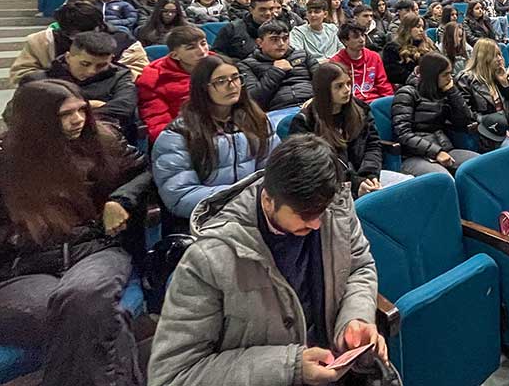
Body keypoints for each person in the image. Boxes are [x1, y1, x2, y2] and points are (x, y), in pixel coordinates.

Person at [148, 133, 384, 386]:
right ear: (268, 201)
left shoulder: (333, 207)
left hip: (333, 369)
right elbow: (173, 375)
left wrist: (355, 319)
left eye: (320, 212)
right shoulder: (210, 258)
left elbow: (359, 268)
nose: (316, 224)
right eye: (304, 215)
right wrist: (288, 367)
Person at [0, 80, 148, 385]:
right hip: (25, 264)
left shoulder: (102, 141)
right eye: (66, 114)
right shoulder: (5, 161)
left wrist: (121, 199)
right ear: (37, 118)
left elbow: (144, 172)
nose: (79, 119)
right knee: (90, 316)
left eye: (81, 109)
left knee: (85, 297)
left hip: (94, 249)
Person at [152, 55, 279, 221]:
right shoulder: (178, 134)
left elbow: (274, 170)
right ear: (203, 88)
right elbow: (179, 196)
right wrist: (243, 199)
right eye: (221, 81)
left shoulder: (257, 119)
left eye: (236, 78)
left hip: (257, 212)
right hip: (207, 219)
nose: (232, 86)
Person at [290, 63, 410, 197]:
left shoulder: (360, 109)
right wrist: (355, 183)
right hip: (329, 185)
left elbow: (373, 144)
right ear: (323, 89)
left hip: (365, 175)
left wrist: (370, 174)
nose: (347, 89)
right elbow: (315, 166)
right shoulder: (304, 121)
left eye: (348, 83)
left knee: (409, 184)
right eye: (339, 86)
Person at [18, 31, 138, 143]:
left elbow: (125, 107)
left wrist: (62, 113)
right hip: (47, 141)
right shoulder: (38, 80)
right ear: (68, 57)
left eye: (101, 65)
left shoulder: (121, 75)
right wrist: (89, 106)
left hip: (103, 141)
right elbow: (15, 113)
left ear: (111, 59)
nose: (91, 71)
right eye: (84, 64)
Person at [10, 0, 148, 86]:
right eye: (74, 36)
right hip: (57, 95)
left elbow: (141, 74)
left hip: (109, 95)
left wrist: (107, 73)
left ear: (100, 26)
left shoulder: (125, 42)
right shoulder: (42, 41)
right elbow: (21, 74)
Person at [392, 52, 478, 176]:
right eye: (445, 75)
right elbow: (403, 134)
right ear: (432, 75)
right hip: (414, 156)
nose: (450, 78)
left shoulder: (443, 92)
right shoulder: (406, 94)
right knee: (443, 179)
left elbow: (466, 119)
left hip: (444, 148)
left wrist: (453, 92)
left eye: (450, 73)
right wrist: (436, 152)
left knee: (479, 165)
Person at [458, 38, 509, 151]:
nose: (500, 59)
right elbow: (468, 115)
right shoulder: (465, 80)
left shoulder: (498, 75)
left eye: (500, 54)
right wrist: (497, 124)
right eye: (495, 55)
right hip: (489, 132)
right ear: (483, 57)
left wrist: (506, 84)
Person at [137, 26, 210, 143]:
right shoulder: (155, 78)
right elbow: (158, 123)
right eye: (191, 48)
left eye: (203, 43)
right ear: (174, 55)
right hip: (186, 136)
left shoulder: (220, 65)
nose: (202, 51)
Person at [237, 20, 319, 111]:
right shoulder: (246, 65)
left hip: (312, 104)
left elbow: (324, 82)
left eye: (285, 38)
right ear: (260, 43)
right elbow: (253, 99)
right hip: (278, 110)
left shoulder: (304, 55)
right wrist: (276, 71)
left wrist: (316, 99)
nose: (281, 43)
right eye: (274, 39)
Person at [331, 22, 393, 104]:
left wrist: (390, 102)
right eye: (356, 37)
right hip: (350, 103)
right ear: (345, 41)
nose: (362, 40)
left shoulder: (374, 56)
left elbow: (383, 83)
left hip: (374, 102)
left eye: (363, 35)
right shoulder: (335, 62)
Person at [213, 0, 282, 61]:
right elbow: (216, 53)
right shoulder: (231, 29)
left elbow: (290, 52)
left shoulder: (281, 28)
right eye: (262, 9)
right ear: (251, 10)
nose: (268, 13)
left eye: (271, 9)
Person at [382, 12, 437, 86]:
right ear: (407, 28)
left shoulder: (428, 44)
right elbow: (394, 75)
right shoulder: (392, 48)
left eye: (422, 27)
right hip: (407, 87)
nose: (421, 30)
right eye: (417, 27)